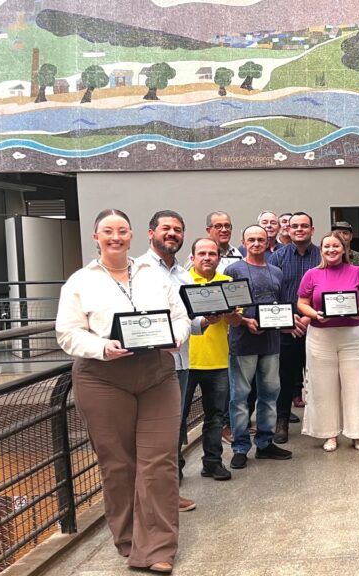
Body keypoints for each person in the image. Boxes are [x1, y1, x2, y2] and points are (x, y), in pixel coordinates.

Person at [55, 208, 190, 573]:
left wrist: (177, 337)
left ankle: (158, 547)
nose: (116, 237)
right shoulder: (80, 281)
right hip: (103, 376)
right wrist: (102, 347)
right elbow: (67, 332)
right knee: (118, 463)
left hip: (157, 372)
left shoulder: (152, 275)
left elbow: (179, 316)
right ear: (96, 237)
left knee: (159, 460)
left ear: (133, 236)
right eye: (108, 231)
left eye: (122, 231)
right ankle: (130, 539)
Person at [134, 211, 201, 514]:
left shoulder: (184, 275)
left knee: (172, 431)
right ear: (151, 233)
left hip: (181, 362)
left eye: (178, 229)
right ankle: (150, 498)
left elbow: (188, 319)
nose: (172, 233)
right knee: (152, 434)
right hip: (151, 363)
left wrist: (208, 320)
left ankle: (168, 494)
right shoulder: (139, 269)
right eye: (166, 228)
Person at [225, 225, 303, 468]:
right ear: (243, 242)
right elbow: (229, 309)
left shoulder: (276, 272)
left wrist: (287, 324)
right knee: (240, 397)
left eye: (260, 239)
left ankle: (265, 443)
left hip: (271, 344)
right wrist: (245, 322)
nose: (256, 243)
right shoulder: (233, 270)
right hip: (242, 343)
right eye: (251, 239)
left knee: (270, 395)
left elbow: (279, 307)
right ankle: (240, 447)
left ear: (267, 241)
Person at [297, 232, 359, 451]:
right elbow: (301, 302)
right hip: (321, 336)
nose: (331, 250)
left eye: (336, 246)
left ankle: (358, 432)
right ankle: (329, 433)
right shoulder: (312, 274)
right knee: (323, 386)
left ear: (344, 249)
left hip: (353, 335)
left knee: (356, 385)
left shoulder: (357, 272)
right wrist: (314, 314)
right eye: (327, 247)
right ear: (321, 250)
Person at [185, 237, 240, 481]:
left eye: (212, 254)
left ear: (219, 258)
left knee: (216, 417)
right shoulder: (183, 282)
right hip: (186, 362)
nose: (207, 257)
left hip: (218, 361)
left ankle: (212, 462)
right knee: (178, 419)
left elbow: (236, 321)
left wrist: (228, 314)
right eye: (202, 253)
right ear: (192, 257)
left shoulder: (227, 284)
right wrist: (205, 320)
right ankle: (174, 468)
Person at [268, 212, 319, 441]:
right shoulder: (277, 258)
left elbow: (328, 289)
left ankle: (322, 423)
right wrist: (288, 322)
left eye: (304, 226)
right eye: (295, 226)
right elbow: (271, 293)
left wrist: (308, 317)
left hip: (317, 326)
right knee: (284, 378)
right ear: (287, 229)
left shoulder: (322, 255)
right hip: (286, 328)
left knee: (319, 377)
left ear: (312, 230)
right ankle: (282, 421)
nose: (299, 229)